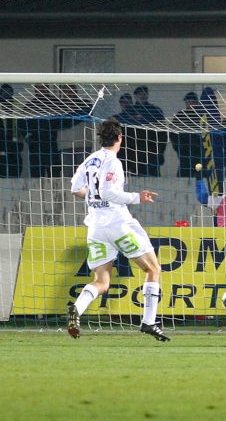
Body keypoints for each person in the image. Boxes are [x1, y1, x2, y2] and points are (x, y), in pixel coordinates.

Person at [68, 118, 169, 341]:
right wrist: (137, 197)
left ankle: (77, 308)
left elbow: (75, 188)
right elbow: (107, 192)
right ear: (120, 138)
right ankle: (149, 322)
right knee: (153, 269)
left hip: (95, 227)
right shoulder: (113, 161)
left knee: (102, 281)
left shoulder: (90, 159)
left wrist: (93, 198)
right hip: (117, 225)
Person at [128, 85, 167, 176]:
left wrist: (161, 152)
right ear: (135, 96)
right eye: (140, 94)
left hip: (152, 151)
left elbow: (162, 133)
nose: (143, 96)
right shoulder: (130, 111)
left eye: (145, 94)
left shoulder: (156, 110)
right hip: (135, 152)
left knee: (153, 177)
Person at [169, 91, 204, 178]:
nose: (191, 104)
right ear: (186, 103)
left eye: (193, 102)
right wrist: (178, 147)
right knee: (183, 175)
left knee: (199, 175)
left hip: (199, 153)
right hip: (184, 152)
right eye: (189, 102)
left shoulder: (202, 116)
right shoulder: (180, 116)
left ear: (198, 103)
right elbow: (172, 133)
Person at [0, 84, 23, 177]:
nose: (6, 94)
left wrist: (23, 138)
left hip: (14, 140)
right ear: (0, 93)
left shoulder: (18, 106)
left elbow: (22, 123)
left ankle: (15, 178)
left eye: (9, 91)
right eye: (4, 91)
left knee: (15, 161)